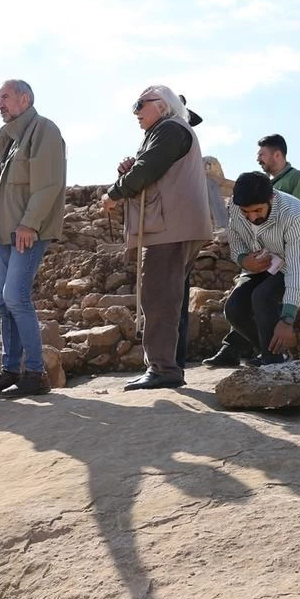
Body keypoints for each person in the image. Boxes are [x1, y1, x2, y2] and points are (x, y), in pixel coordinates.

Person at [101, 85, 211, 391]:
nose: (135, 112)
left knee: (158, 296)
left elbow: (147, 171)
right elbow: (150, 168)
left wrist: (114, 193)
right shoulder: (166, 131)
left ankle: (163, 368)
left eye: (140, 104)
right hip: (172, 225)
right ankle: (167, 365)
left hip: (168, 227)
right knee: (167, 296)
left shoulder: (170, 129)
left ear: (162, 106)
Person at [0, 80, 66, 398]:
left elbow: (48, 184)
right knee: (3, 301)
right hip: (6, 235)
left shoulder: (44, 130)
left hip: (28, 231)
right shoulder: (11, 139)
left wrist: (29, 224)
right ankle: (10, 370)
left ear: (24, 99)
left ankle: (36, 374)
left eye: (5, 97)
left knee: (15, 297)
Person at [205, 172, 300, 367]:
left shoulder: (292, 212)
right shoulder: (237, 209)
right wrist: (245, 261)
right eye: (246, 212)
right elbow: (237, 245)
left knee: (263, 296)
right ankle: (268, 352)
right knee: (234, 308)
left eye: (258, 211)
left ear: (271, 198)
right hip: (264, 264)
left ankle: (274, 361)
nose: (252, 217)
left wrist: (287, 319)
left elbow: (298, 266)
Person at [257, 133, 300, 240]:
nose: (258, 159)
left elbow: (299, 218)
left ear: (277, 155)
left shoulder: (298, 178)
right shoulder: (264, 184)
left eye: (262, 155)